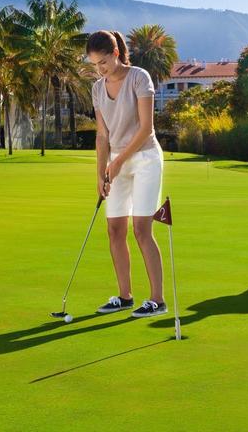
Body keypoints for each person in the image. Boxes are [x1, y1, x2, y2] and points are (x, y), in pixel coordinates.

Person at [87, 30, 167, 317]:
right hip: (117, 162)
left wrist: (118, 161)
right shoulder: (97, 88)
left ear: (116, 54)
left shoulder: (139, 77)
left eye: (104, 62)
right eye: (95, 65)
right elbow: (101, 135)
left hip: (145, 157)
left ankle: (157, 300)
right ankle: (125, 296)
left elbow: (146, 127)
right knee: (114, 229)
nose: (100, 69)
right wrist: (100, 174)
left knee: (141, 229)